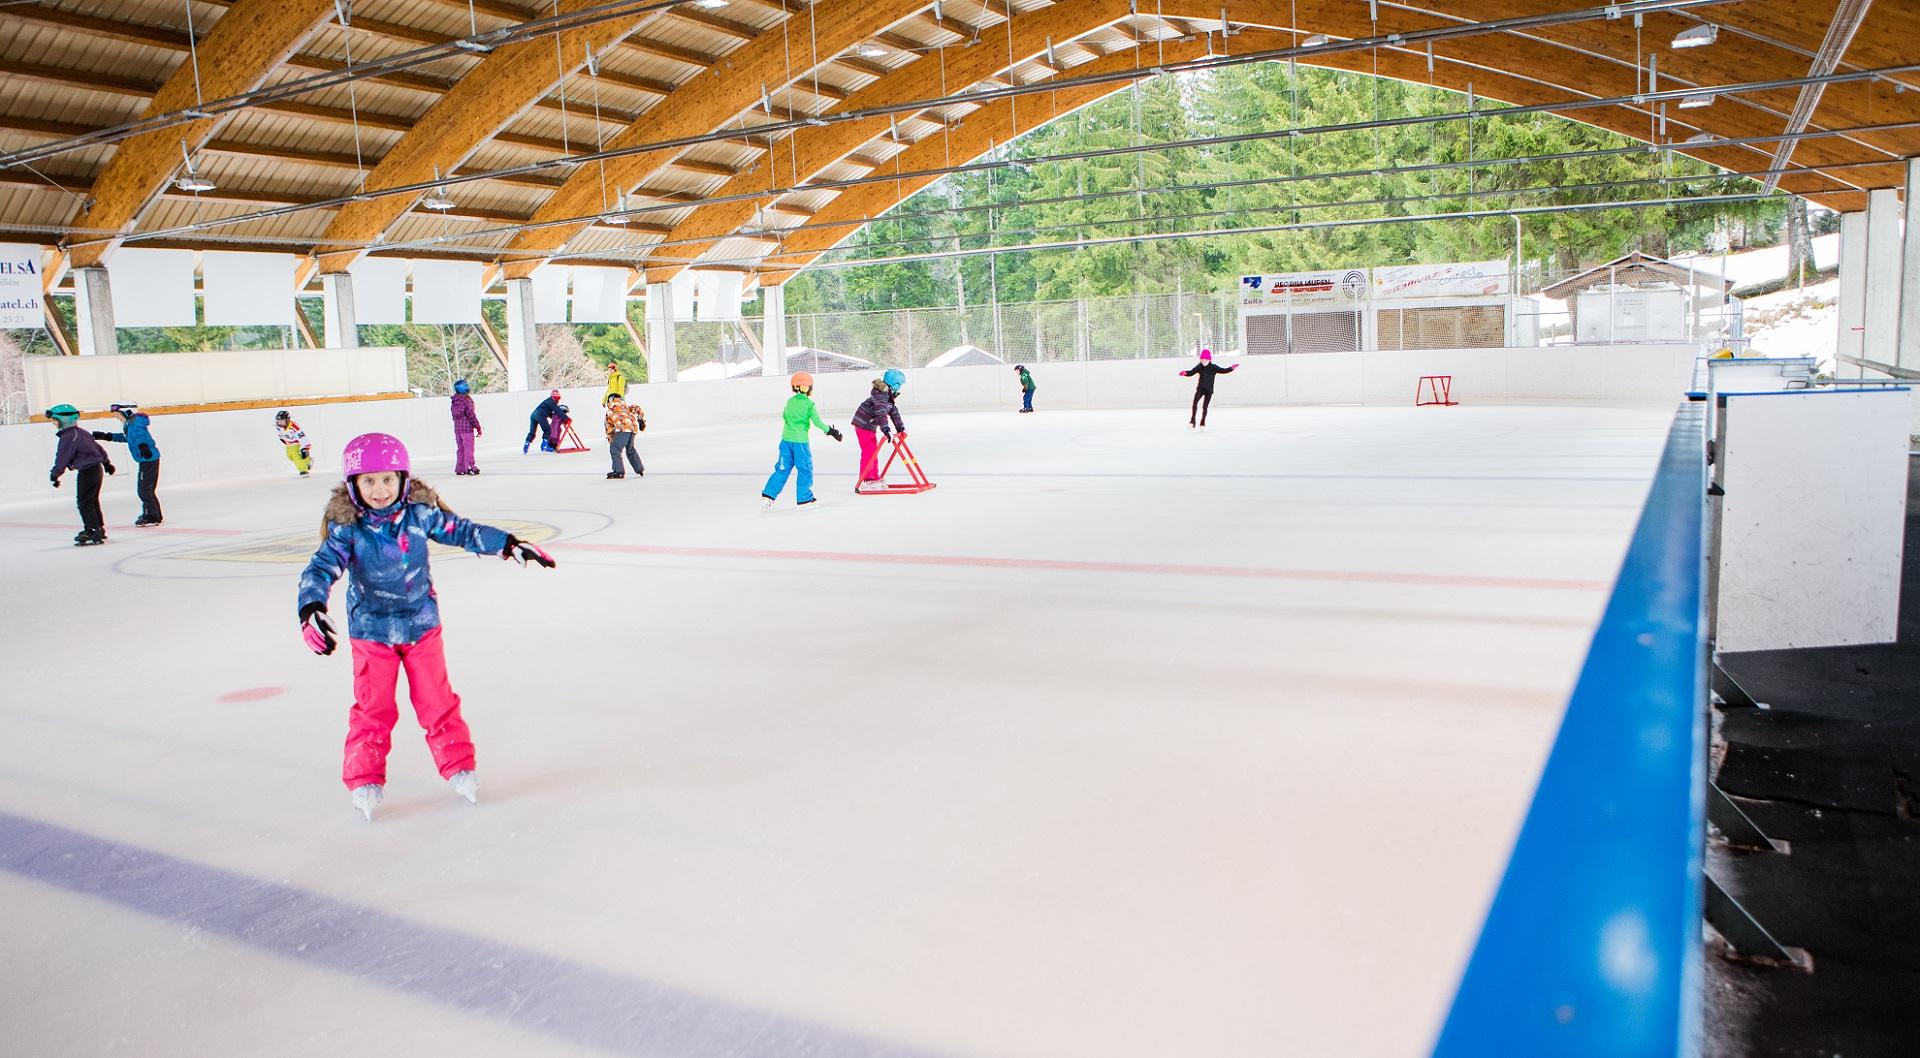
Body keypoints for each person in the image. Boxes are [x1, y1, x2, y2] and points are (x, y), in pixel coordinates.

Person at [296, 433, 557, 822]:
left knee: (437, 701)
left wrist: (508, 544)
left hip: (422, 626)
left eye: (387, 479)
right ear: (353, 485)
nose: (380, 490)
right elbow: (321, 568)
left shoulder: (420, 513)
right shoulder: (347, 528)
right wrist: (311, 606)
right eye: (368, 481)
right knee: (373, 708)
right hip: (372, 632)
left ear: (402, 478)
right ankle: (364, 778)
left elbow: (463, 531)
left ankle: (459, 766)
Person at [761, 370, 842, 509]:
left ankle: (768, 495)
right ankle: (804, 499)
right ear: (808, 388)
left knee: (782, 468)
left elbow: (785, 416)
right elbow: (817, 422)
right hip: (800, 443)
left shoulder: (790, 402)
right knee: (805, 469)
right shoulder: (809, 404)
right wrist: (831, 431)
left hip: (786, 441)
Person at [47, 403, 114, 546]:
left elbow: (62, 457)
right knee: (91, 500)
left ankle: (92, 529)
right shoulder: (81, 432)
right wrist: (106, 463)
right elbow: (98, 448)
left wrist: (55, 474)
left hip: (88, 472)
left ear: (63, 419)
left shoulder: (68, 437)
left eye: (54, 419)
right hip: (95, 469)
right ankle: (98, 528)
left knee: (84, 502)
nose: (53, 423)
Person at [91, 402, 163, 526]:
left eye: (118, 415)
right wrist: (106, 436)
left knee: (144, 490)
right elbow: (128, 438)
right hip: (147, 459)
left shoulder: (135, 424)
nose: (117, 417)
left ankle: (151, 516)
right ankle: (154, 514)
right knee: (146, 489)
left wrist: (144, 447)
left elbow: (141, 437)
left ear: (128, 412)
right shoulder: (131, 424)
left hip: (148, 460)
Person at [851, 369, 907, 485]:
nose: (900, 388)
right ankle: (867, 479)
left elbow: (893, 411)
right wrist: (886, 429)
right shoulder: (881, 395)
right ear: (894, 385)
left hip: (869, 425)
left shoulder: (888, 395)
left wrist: (900, 428)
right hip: (863, 424)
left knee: (873, 450)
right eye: (899, 385)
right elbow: (881, 412)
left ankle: (874, 476)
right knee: (869, 451)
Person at [1178, 348, 1238, 428]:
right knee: (1195, 403)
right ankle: (1192, 421)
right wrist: (1185, 373)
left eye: (1205, 360)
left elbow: (1223, 370)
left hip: (1209, 390)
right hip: (1200, 389)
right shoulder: (1199, 367)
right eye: (1202, 360)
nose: (1203, 361)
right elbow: (1191, 372)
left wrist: (1231, 368)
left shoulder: (1214, 367)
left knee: (1204, 407)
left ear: (1209, 359)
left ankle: (1202, 422)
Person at [603, 393, 645, 479]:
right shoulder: (626, 407)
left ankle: (619, 471)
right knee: (630, 449)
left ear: (610, 401)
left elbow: (609, 427)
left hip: (622, 428)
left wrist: (611, 439)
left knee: (614, 448)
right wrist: (641, 419)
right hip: (633, 428)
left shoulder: (610, 411)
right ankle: (639, 469)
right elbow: (637, 408)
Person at [450, 379, 483, 476]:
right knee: (469, 448)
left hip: (457, 429)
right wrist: (477, 427)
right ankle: (470, 466)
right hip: (467, 429)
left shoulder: (454, 400)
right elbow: (471, 415)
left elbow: (453, 415)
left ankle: (460, 468)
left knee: (460, 449)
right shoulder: (467, 400)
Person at [276, 410, 313, 476]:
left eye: (282, 421)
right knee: (290, 456)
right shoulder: (278, 426)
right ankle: (308, 461)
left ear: (287, 420)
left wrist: (305, 448)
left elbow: (303, 437)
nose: (280, 422)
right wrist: (282, 439)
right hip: (288, 444)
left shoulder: (294, 427)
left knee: (295, 456)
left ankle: (303, 470)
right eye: (278, 421)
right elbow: (280, 433)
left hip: (296, 443)